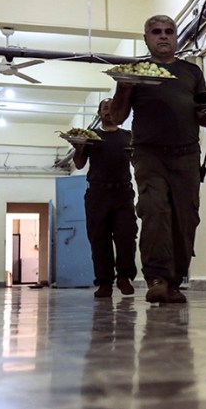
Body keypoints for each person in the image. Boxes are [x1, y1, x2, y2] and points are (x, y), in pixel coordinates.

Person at [110, 14, 206, 304]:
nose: (163, 36)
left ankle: (175, 281)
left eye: (169, 31)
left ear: (175, 37)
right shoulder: (135, 72)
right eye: (156, 32)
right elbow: (119, 117)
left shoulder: (191, 72)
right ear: (146, 39)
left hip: (186, 155)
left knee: (186, 218)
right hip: (149, 154)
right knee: (154, 210)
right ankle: (157, 279)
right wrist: (124, 87)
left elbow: (202, 115)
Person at [73, 98, 138, 298]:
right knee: (99, 239)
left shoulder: (128, 137)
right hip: (97, 194)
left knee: (126, 237)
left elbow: (138, 162)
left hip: (123, 193)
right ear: (99, 113)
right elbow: (79, 164)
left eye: (113, 107)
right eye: (105, 108)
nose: (109, 111)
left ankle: (124, 277)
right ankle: (104, 283)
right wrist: (79, 147)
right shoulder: (91, 137)